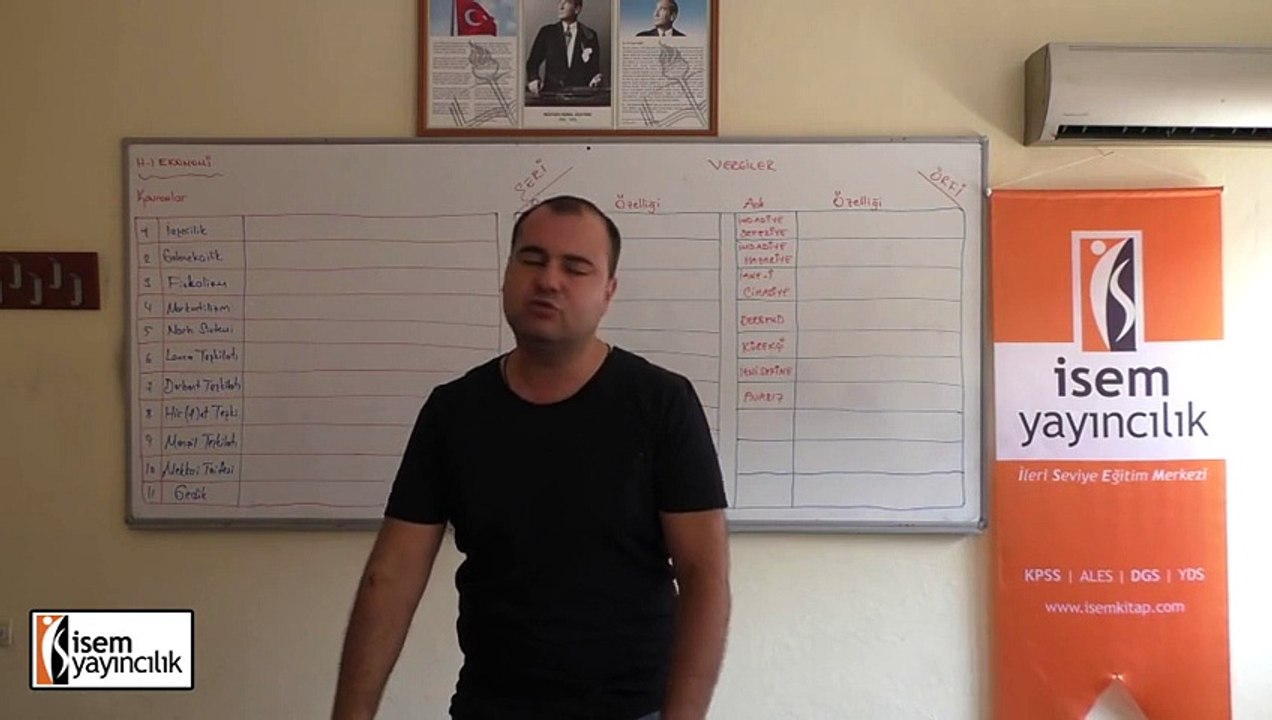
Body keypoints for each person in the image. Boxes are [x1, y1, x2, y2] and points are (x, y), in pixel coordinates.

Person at [331, 195, 731, 720]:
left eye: (576, 267)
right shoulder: (453, 410)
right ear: (507, 274)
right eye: (532, 259)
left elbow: (704, 576)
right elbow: (392, 576)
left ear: (608, 292)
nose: (549, 280)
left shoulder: (662, 403)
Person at [525, 0, 604, 96]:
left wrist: (595, 79)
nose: (560, 6)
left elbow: (594, 71)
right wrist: (534, 79)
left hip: (580, 97)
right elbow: (532, 64)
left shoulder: (590, 36)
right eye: (559, 2)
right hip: (551, 97)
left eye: (566, 2)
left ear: (577, 9)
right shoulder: (547, 33)